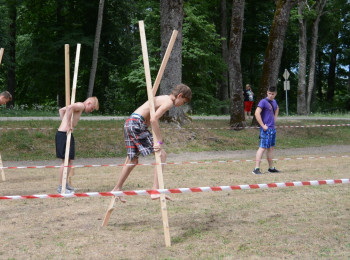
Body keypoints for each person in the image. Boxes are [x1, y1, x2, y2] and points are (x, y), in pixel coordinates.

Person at [111, 84, 192, 202]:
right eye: (183, 101)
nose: (182, 105)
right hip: (137, 123)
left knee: (132, 160)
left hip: (130, 122)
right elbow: (154, 119)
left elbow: (149, 117)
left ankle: (117, 188)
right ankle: (155, 191)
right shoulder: (168, 102)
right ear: (179, 95)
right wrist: (159, 141)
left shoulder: (162, 98)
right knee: (162, 154)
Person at [56, 97, 99, 193]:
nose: (91, 111)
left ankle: (65, 184)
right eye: (92, 108)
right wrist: (67, 125)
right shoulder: (80, 105)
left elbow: (62, 110)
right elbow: (70, 108)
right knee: (65, 162)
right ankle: (60, 187)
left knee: (70, 161)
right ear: (89, 103)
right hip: (63, 134)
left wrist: (64, 122)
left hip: (67, 134)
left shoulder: (79, 107)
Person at [252, 86, 280, 175]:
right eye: (269, 93)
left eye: (272, 94)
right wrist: (262, 125)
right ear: (267, 93)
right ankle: (256, 168)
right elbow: (257, 113)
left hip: (272, 128)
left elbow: (277, 108)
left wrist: (275, 118)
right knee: (262, 148)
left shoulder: (275, 102)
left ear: (275, 94)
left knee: (271, 148)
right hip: (265, 129)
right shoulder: (263, 102)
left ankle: (271, 167)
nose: (271, 95)